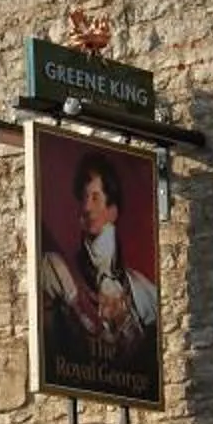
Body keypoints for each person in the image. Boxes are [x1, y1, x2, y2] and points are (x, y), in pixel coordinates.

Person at [40, 147, 159, 395]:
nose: (86, 206)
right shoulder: (58, 270)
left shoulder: (142, 289)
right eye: (83, 198)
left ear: (112, 210)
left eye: (95, 197)